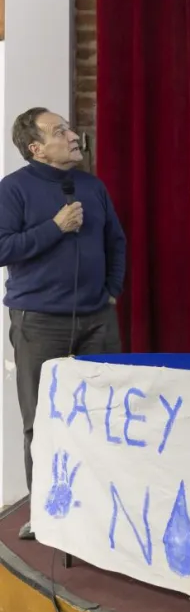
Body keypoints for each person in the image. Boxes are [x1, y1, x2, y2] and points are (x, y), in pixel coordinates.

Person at [0, 108, 126, 541]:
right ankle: (47, 510)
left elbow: (116, 241)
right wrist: (55, 227)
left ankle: (106, 508)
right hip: (39, 322)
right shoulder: (13, 189)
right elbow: (2, 248)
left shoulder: (92, 186)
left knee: (107, 415)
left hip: (98, 319)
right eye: (61, 132)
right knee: (43, 420)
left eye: (69, 129)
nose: (74, 136)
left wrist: (111, 290)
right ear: (36, 148)